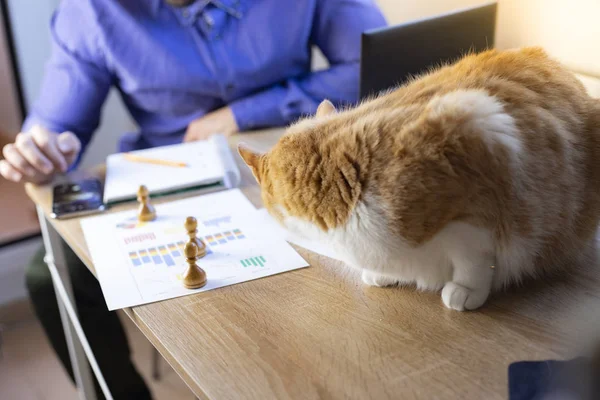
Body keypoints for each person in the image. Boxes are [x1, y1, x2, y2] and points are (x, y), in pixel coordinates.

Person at [0, 0, 386, 398]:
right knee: (48, 275)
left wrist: (242, 113)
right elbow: (57, 125)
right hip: (169, 184)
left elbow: (373, 64)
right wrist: (40, 151)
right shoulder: (92, 11)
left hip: (294, 169)